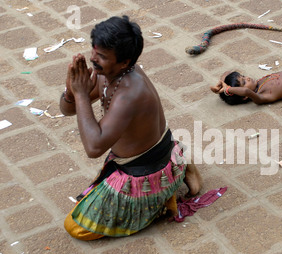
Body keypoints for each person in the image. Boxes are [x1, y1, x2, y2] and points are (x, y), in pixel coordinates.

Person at [60, 16, 202, 240]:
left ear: (125, 62)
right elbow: (68, 110)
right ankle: (179, 165)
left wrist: (80, 95)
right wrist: (71, 92)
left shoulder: (129, 94)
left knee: (75, 226)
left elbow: (94, 148)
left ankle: (164, 193)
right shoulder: (108, 71)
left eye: (102, 56)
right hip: (144, 153)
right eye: (94, 51)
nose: (93, 59)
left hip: (143, 171)